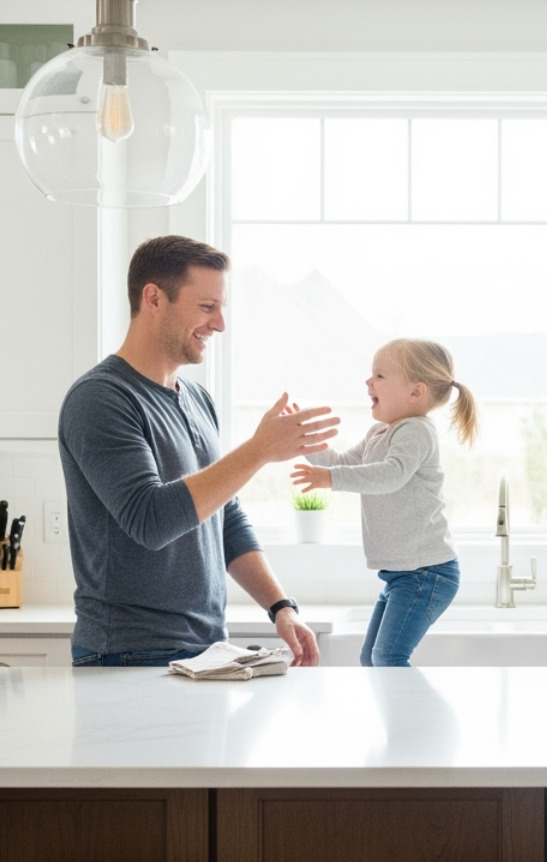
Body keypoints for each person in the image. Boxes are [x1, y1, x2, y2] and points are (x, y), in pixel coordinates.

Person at [58, 235, 339, 667]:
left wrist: (281, 607)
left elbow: (225, 517)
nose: (220, 324)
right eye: (207, 307)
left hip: (206, 649)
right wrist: (259, 450)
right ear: (154, 298)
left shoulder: (197, 399)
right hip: (127, 652)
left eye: (221, 308)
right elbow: (150, 520)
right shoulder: (101, 399)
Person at [290, 339, 477, 667]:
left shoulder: (416, 431)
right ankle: (401, 705)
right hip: (403, 575)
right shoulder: (380, 432)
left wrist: (330, 479)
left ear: (415, 392)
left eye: (379, 376)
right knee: (373, 658)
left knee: (387, 657)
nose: (368, 382)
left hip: (426, 573)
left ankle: (414, 705)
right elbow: (345, 462)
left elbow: (391, 475)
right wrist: (307, 441)